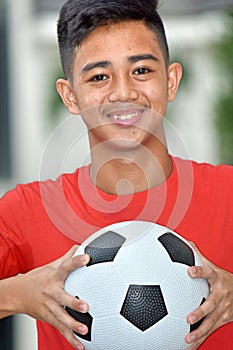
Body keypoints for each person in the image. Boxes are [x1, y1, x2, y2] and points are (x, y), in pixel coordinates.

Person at [0, 0, 232, 349]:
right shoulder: (26, 211)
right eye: (99, 77)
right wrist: (20, 294)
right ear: (70, 95)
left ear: (170, 80)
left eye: (141, 70)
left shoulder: (228, 194)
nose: (123, 92)